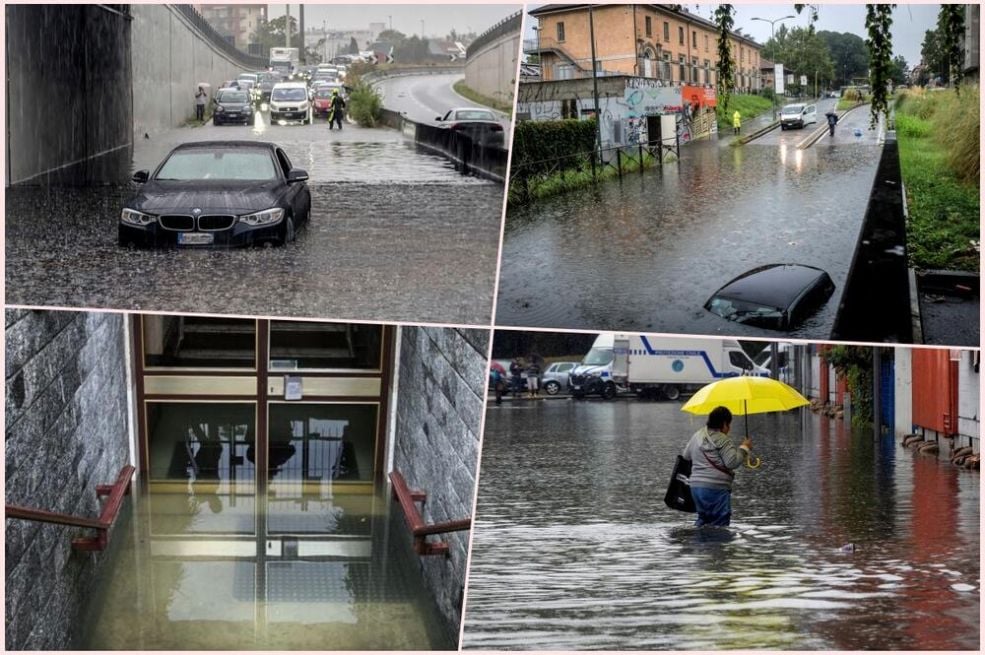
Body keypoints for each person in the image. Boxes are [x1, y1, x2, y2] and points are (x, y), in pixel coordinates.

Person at [681, 406, 752, 527]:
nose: (729, 428)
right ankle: (716, 545)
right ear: (724, 423)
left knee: (703, 520)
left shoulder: (697, 435)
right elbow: (732, 462)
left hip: (696, 488)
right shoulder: (723, 439)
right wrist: (744, 448)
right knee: (720, 524)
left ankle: (698, 544)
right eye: (729, 424)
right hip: (716, 489)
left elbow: (686, 456)